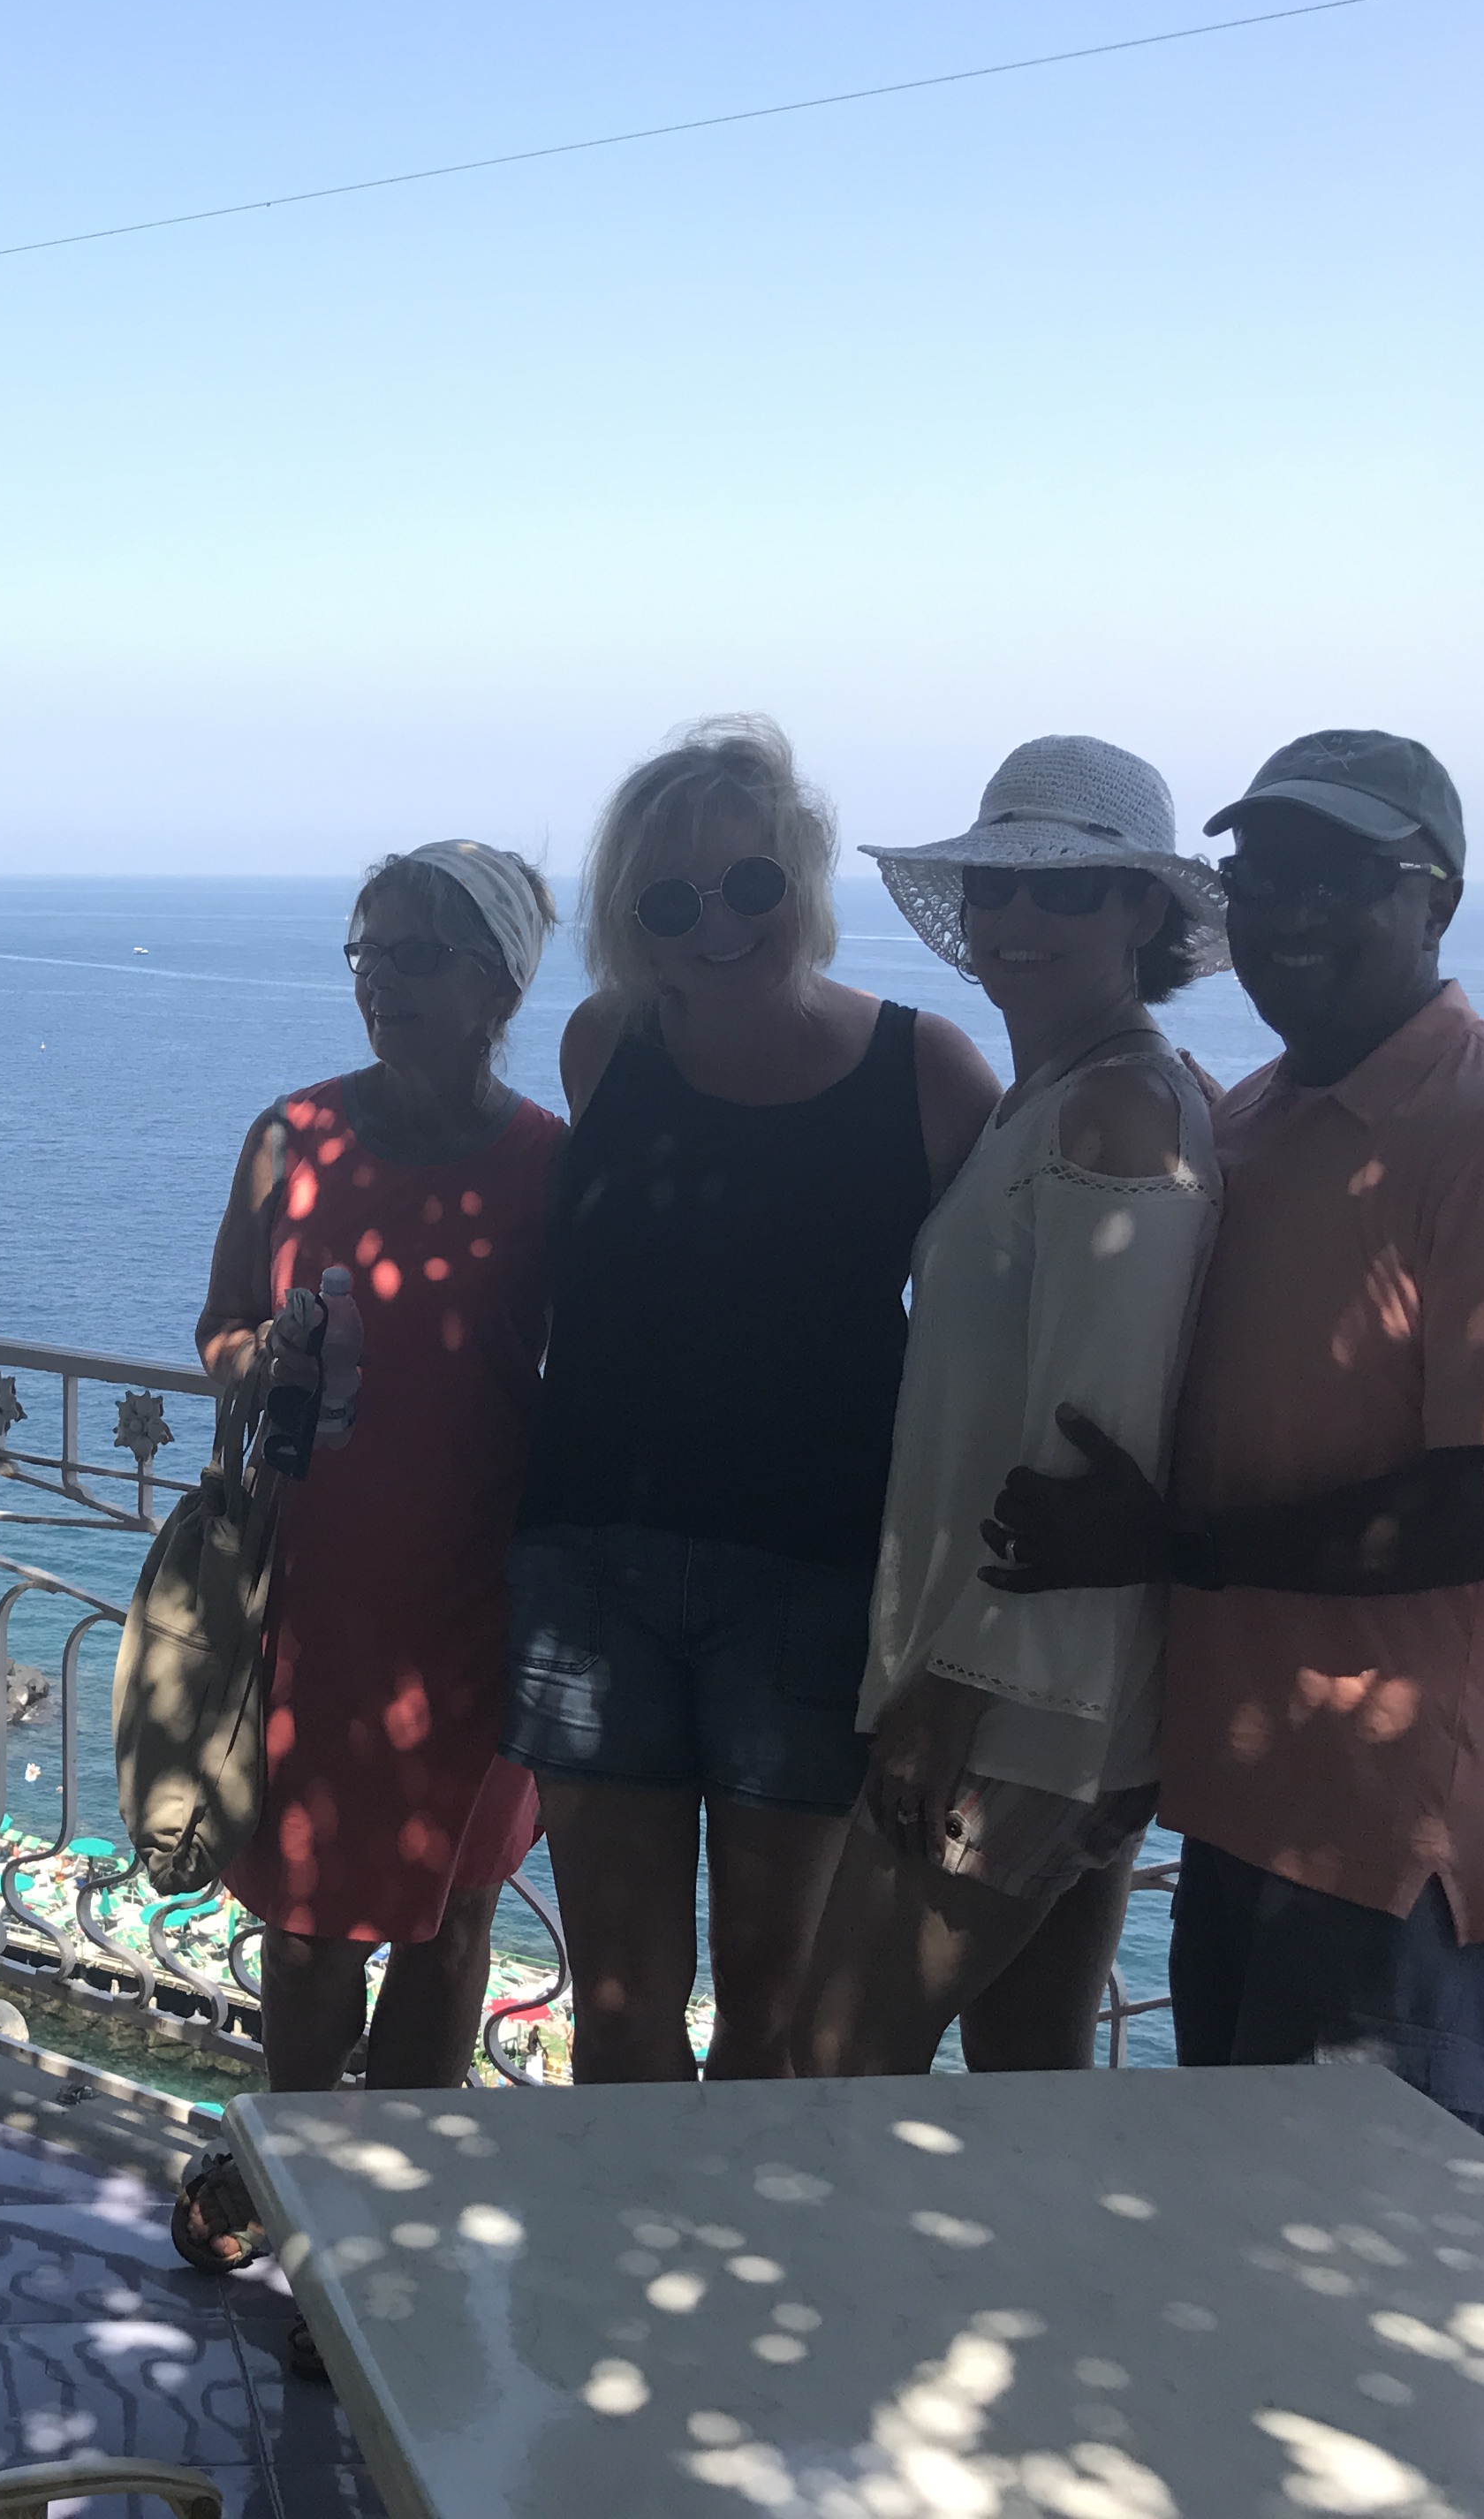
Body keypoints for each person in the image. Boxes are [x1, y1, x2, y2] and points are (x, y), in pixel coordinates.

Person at [980, 731, 1484, 2151]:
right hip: (1250, 1808)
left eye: (1340, 877)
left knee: (1372, 2271)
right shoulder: (1252, 1119)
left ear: (1437, 899)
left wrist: (1170, 1545)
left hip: (1410, 1856)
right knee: (1240, 2254)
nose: (1289, 912)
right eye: (1264, 875)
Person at [504, 717, 995, 2081]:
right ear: (631, 922)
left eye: (751, 884)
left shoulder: (926, 1074)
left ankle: (738, 2230)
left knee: (771, 2016)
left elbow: (995, 1341)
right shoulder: (606, 1045)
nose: (717, 926)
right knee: (617, 2008)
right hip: (593, 1568)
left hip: (813, 1581)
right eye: (673, 902)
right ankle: (625, 2229)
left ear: (804, 880)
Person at [168, 844, 565, 2307]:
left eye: (415, 955)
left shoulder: (553, 1172)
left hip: (481, 1607)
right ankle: (306, 2214)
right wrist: (258, 1359)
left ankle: (375, 2235)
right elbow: (218, 1322)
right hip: (315, 1600)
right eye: (366, 952)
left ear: (501, 986)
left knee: (451, 1926)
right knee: (311, 1931)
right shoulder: (290, 1139)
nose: (379, 982)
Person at [795, 737, 1226, 2076]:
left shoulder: (1117, 1116)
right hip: (1056, 1696)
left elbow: (1090, 1459)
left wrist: (948, 1695)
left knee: (833, 2058)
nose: (1018, 916)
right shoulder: (1056, 1099)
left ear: (1142, 909)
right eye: (996, 885)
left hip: (1022, 1703)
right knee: (1026, 2089)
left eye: (1067, 889)